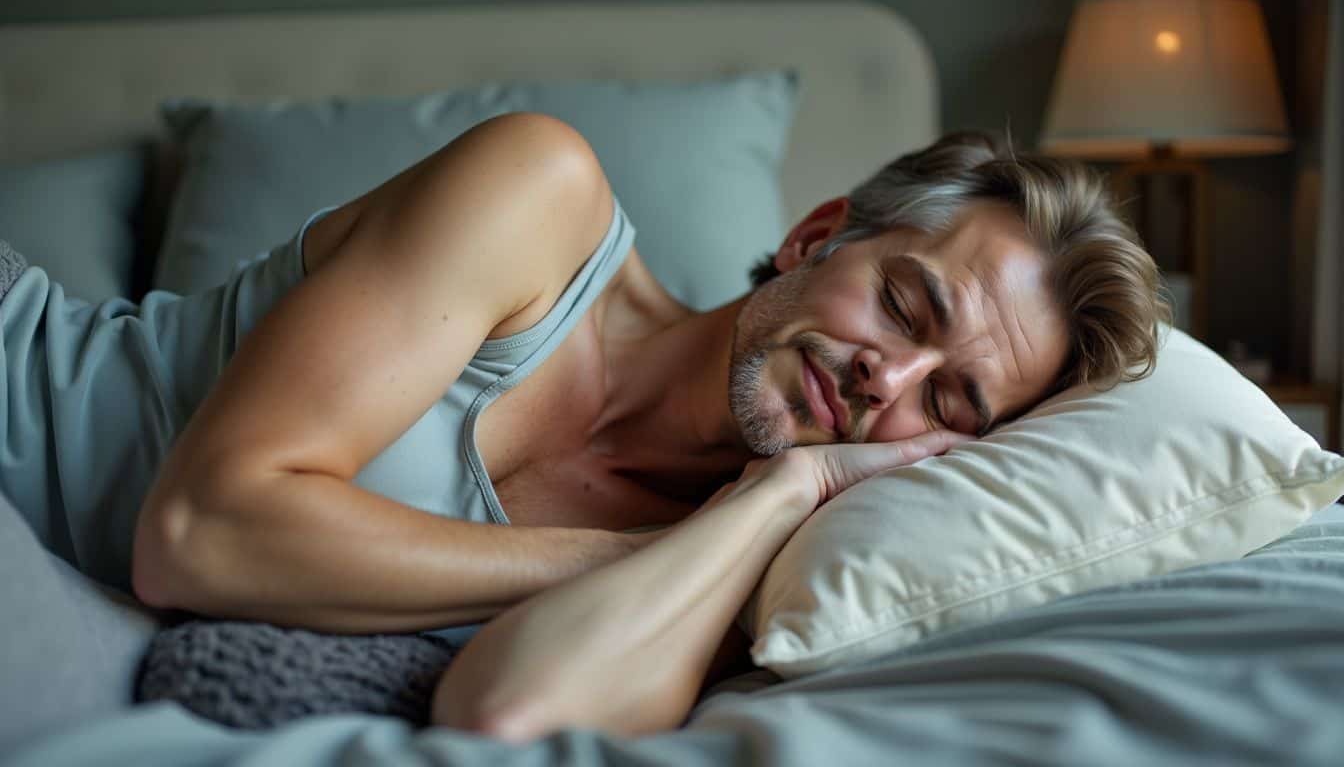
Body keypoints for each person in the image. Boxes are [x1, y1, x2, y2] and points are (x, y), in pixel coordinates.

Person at [0, 114, 1167, 739]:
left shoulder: (753, 565)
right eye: (908, 305)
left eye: (948, 401)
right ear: (818, 236)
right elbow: (198, 534)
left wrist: (766, 507)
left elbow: (516, 713)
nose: (886, 377)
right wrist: (637, 557)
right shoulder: (543, 196)